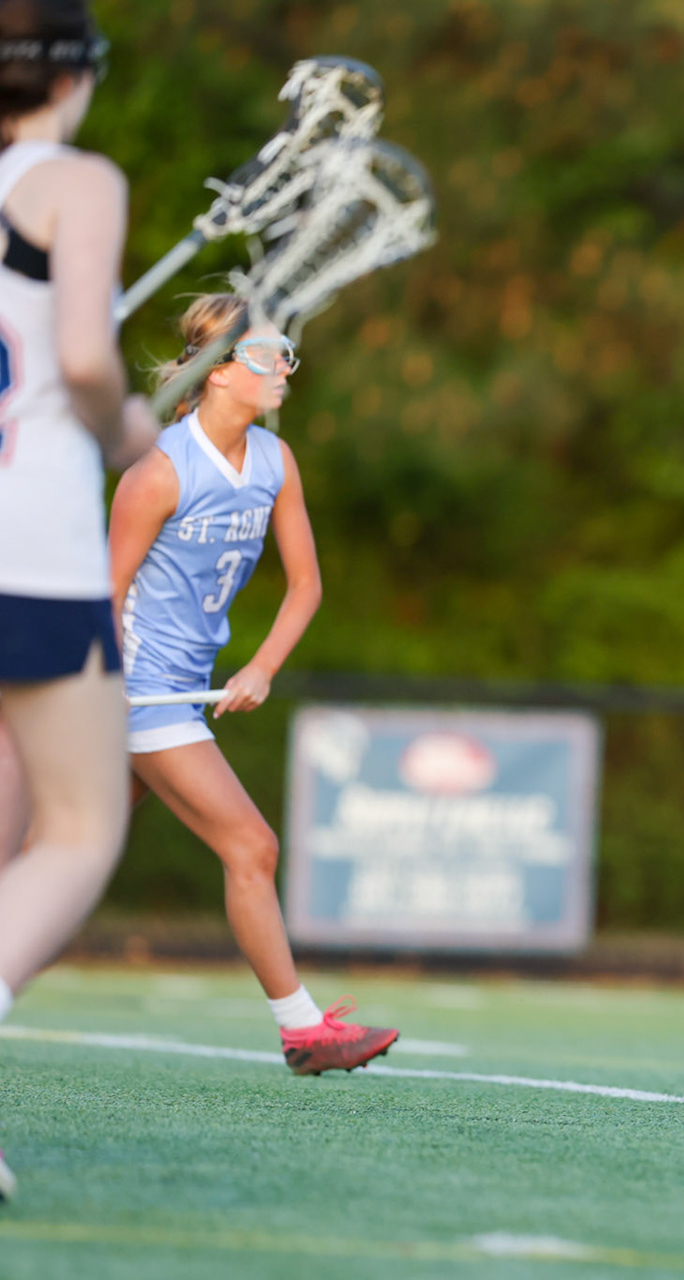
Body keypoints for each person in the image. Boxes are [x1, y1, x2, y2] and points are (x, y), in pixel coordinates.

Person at [108, 292, 398, 1077]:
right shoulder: (159, 473)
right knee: (252, 844)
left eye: (286, 355)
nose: (284, 371)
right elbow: (102, 597)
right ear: (217, 371)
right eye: (268, 357)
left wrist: (261, 666)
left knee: (67, 850)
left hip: (185, 687)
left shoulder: (275, 460)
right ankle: (304, 1031)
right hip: (137, 691)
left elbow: (305, 586)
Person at [0, 0, 159, 1202]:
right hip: (33, 546)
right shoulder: (76, 179)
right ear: (71, 74)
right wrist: (128, 427)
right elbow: (91, 361)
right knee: (78, 830)